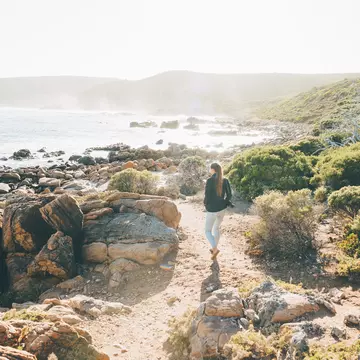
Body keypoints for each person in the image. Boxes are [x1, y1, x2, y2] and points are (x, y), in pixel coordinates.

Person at [204, 162, 233, 260]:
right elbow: (229, 195)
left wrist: (206, 205)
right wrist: (225, 202)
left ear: (213, 170)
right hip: (222, 209)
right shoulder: (225, 180)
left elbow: (207, 196)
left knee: (207, 231)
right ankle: (213, 249)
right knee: (216, 229)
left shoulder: (209, 180)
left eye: (210, 169)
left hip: (212, 209)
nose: (209, 170)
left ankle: (215, 249)